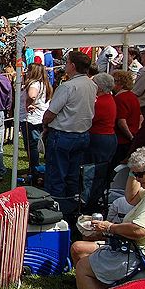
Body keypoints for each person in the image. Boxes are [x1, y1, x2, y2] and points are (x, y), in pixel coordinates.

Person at [73, 148, 145, 289]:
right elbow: (132, 198)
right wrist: (132, 170)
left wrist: (110, 227)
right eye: (135, 174)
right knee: (81, 250)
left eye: (140, 175)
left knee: (84, 266)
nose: (138, 179)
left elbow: (140, 230)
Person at [43, 51, 97, 217]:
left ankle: (57, 209)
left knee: (57, 174)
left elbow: (51, 112)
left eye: (67, 62)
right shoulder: (91, 84)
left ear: (73, 65)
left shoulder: (68, 86)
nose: (65, 65)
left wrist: (45, 122)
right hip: (81, 135)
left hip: (64, 135)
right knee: (72, 175)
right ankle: (71, 207)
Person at [20, 63, 51, 177]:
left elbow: (32, 95)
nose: (27, 72)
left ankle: (34, 170)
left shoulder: (34, 83)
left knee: (31, 146)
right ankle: (37, 168)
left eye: (29, 70)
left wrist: (29, 103)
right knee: (39, 144)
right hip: (41, 117)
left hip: (31, 119)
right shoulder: (44, 84)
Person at [86, 73, 117, 165]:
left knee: (94, 167)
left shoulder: (100, 102)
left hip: (99, 138)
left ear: (99, 87)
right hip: (106, 137)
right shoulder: (109, 98)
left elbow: (90, 119)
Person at [112, 70, 141, 166]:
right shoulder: (133, 96)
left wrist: (130, 137)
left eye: (114, 81)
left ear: (120, 83)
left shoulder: (120, 98)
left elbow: (121, 121)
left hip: (122, 139)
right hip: (133, 135)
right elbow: (141, 117)